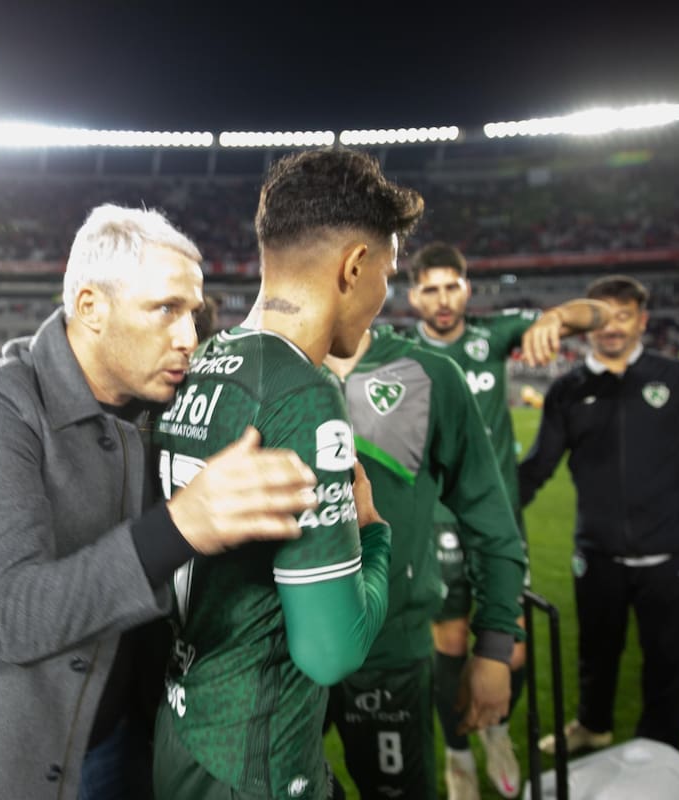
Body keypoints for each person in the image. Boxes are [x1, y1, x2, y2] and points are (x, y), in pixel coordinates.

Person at [0, 204, 321, 800]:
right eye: (165, 309)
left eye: (193, 314)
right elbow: (14, 616)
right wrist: (182, 525)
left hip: (124, 741)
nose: (188, 338)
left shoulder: (165, 409)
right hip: (1, 761)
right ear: (91, 308)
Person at [151, 148, 422, 800]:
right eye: (387, 273)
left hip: (182, 732)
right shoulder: (302, 393)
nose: (384, 296)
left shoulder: (202, 363)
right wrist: (374, 534)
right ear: (354, 266)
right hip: (256, 762)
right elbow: (331, 651)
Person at [404, 243, 608, 799]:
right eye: (430, 289)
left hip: (497, 519)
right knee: (449, 644)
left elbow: (597, 314)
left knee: (510, 647)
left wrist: (554, 318)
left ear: (467, 288)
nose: (443, 299)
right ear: (413, 296)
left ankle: (495, 731)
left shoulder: (492, 336)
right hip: (437, 519)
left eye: (452, 286)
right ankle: (457, 754)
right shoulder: (400, 352)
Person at [518, 274, 679, 754]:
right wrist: (484, 514)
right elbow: (537, 468)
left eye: (624, 316)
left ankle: (660, 748)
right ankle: (593, 726)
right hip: (598, 553)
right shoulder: (568, 390)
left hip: (672, 552)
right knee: (596, 652)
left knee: (668, 661)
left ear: (642, 321)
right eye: (603, 316)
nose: (612, 327)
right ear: (588, 322)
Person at [323, 326, 526, 799]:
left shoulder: (430, 374)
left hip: (390, 654)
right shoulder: (261, 367)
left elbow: (489, 516)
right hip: (275, 655)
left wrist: (495, 646)